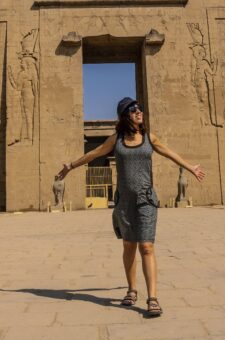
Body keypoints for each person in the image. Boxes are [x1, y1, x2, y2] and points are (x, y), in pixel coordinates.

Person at [56, 97, 206, 317]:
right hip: (124, 202)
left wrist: (191, 167)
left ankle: (152, 298)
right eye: (134, 109)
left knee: (146, 246)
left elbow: (170, 152)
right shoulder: (116, 140)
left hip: (146, 199)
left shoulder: (149, 138)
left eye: (140, 109)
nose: (139, 112)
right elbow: (94, 153)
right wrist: (70, 166)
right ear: (125, 115)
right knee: (129, 246)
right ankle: (131, 289)